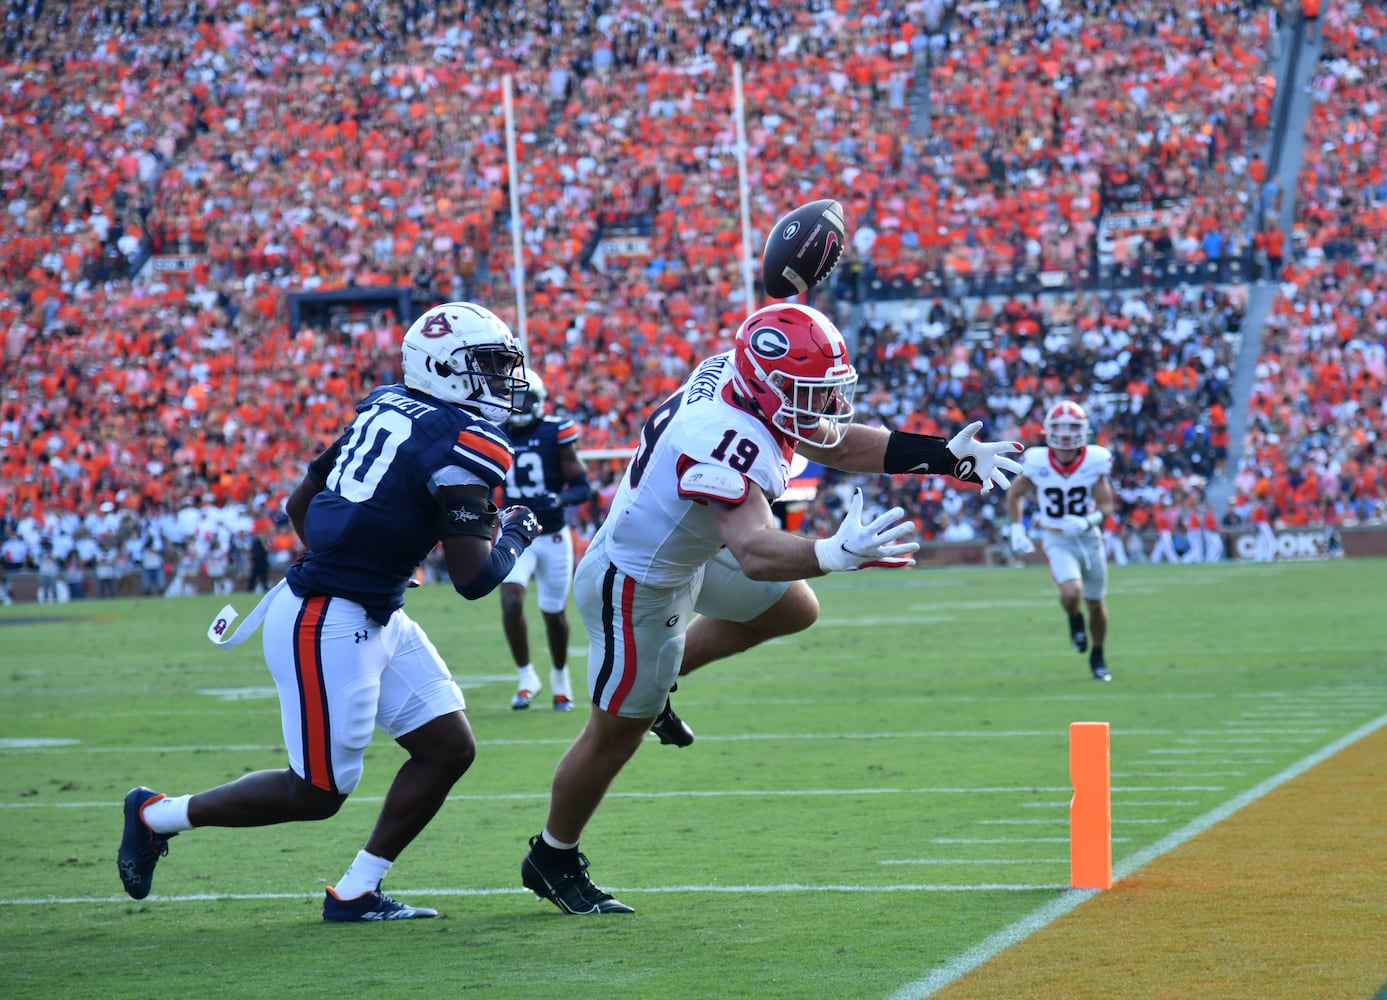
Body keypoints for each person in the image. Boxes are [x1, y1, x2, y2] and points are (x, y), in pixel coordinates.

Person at [518, 302, 1022, 914]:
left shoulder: (737, 376)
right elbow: (756, 550)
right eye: (811, 393)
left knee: (792, 609)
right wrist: (833, 552)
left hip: (686, 550)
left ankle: (660, 680)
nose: (827, 408)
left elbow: (833, 443)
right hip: (638, 583)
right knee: (611, 736)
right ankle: (552, 855)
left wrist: (942, 456)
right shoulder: (723, 440)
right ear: (768, 386)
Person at [117, 302, 542, 922]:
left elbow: (301, 503)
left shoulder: (388, 404)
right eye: (488, 366)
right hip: (327, 619)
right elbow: (476, 579)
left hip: (370, 607)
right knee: (316, 792)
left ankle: (355, 892)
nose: (503, 380)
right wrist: (518, 533)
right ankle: (156, 815)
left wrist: (369, 560)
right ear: (444, 369)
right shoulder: (467, 441)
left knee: (448, 747)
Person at [498, 370, 592, 711]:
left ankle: (559, 677)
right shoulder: (495, 432)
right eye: (514, 399)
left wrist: (560, 499)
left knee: (553, 613)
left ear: (538, 401)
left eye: (524, 399)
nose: (517, 406)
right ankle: (526, 677)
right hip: (515, 534)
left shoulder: (556, 432)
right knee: (510, 599)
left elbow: (582, 487)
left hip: (552, 534)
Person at [1005, 399, 1116, 682]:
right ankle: (1074, 619)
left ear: (1083, 430)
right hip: (1057, 538)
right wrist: (1017, 529)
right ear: (1049, 430)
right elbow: (1014, 494)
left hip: (1089, 538)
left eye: (1072, 427)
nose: (1066, 434)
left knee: (1095, 603)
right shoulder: (1037, 460)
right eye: (1060, 428)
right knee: (1071, 592)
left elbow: (1106, 506)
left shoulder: (1095, 459)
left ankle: (1098, 654)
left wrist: (1088, 520)